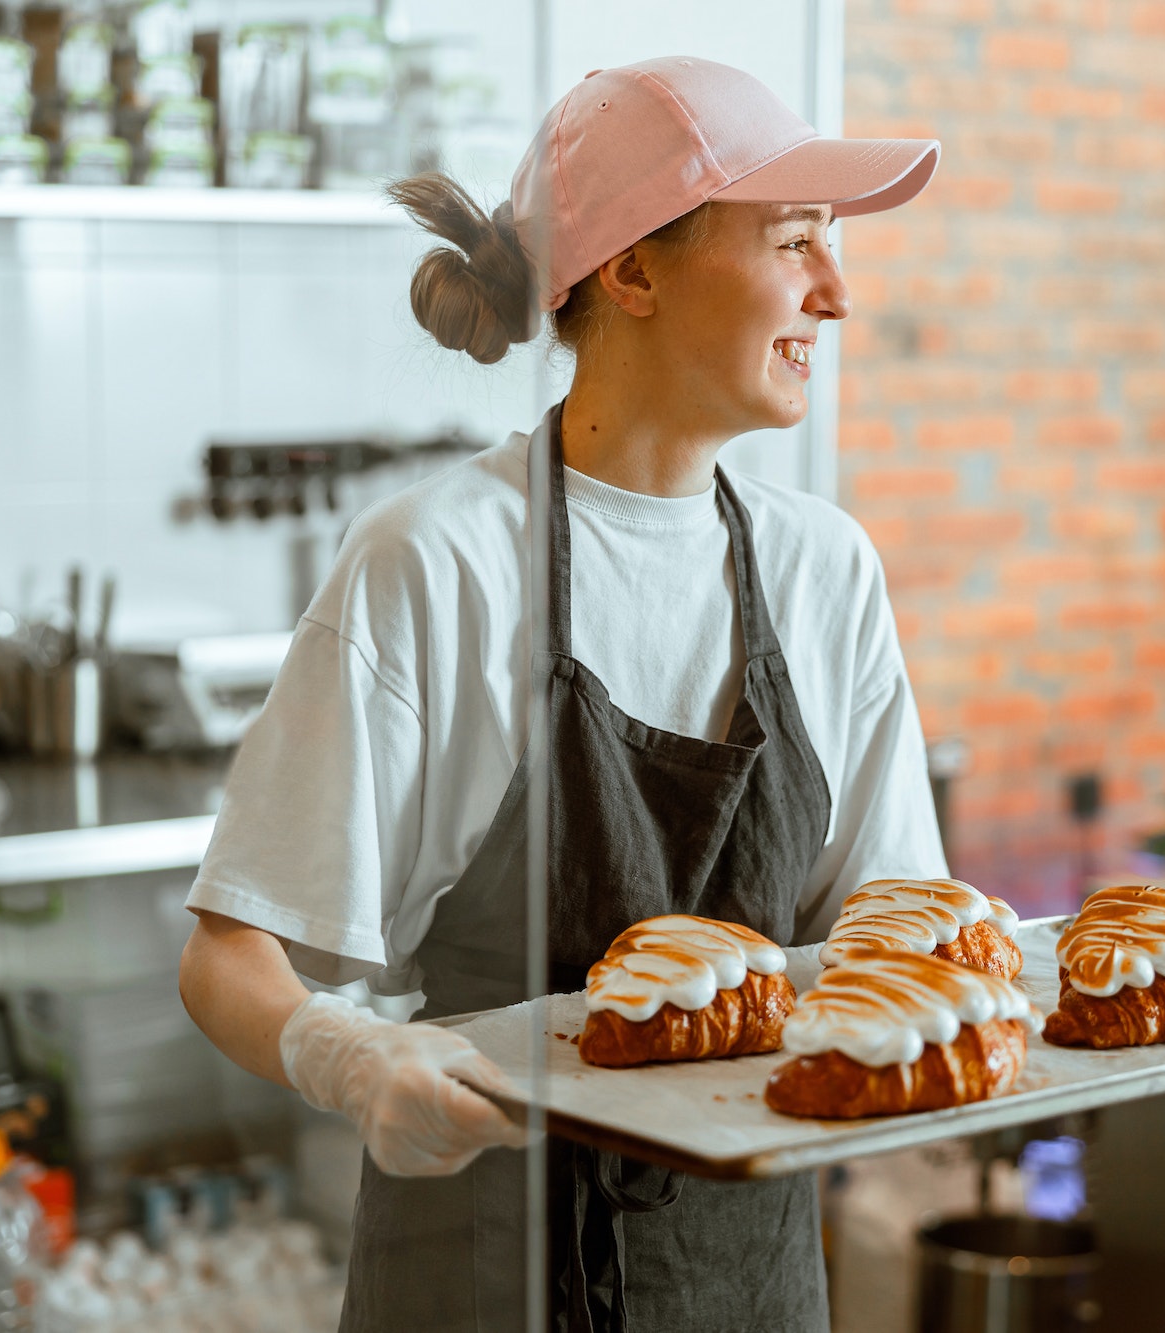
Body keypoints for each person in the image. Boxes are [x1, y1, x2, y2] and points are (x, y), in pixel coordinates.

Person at [177, 55, 945, 1331]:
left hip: (745, 1278)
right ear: (634, 271)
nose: (838, 293)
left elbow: (888, 932)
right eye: (796, 241)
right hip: (481, 1269)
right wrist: (352, 1059)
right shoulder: (438, 559)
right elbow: (228, 957)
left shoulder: (825, 570)